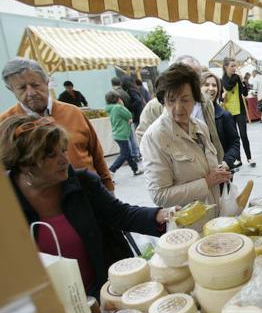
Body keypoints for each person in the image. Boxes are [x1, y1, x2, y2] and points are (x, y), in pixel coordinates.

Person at [0, 115, 172, 296]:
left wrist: (163, 215)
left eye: (64, 150)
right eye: (51, 155)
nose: (65, 160)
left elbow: (120, 214)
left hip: (101, 295)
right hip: (49, 308)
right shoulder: (6, 201)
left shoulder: (83, 183)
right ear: (25, 163)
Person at [0, 57, 114, 191]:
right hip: (43, 205)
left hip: (91, 193)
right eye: (22, 88)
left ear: (46, 82)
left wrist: (108, 187)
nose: (31, 93)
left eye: (35, 85)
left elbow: (96, 154)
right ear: (10, 89)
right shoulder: (5, 125)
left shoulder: (73, 112)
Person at [140, 63, 232, 208]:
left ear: (195, 99)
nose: (178, 108)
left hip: (213, 214)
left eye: (185, 99)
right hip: (186, 224)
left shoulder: (200, 127)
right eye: (171, 100)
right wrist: (207, 182)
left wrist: (217, 172)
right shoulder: (155, 137)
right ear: (163, 100)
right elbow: (159, 195)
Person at [134, 55, 223, 166]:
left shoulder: (205, 101)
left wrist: (218, 161)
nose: (191, 81)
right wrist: (161, 158)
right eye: (185, 75)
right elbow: (143, 136)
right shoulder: (155, 105)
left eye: (196, 77)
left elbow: (212, 133)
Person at [201, 72, 241, 170]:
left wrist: (226, 162)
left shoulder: (224, 116)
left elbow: (234, 143)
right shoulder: (192, 115)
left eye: (214, 85)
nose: (211, 88)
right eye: (206, 85)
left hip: (220, 170)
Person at [222, 57, 255, 167]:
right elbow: (224, 92)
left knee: (244, 135)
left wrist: (243, 82)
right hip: (228, 112)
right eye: (232, 66)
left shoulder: (237, 78)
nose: (234, 68)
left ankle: (249, 158)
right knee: (233, 137)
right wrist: (222, 97)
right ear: (226, 67)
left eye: (235, 66)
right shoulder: (222, 80)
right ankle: (238, 159)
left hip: (240, 110)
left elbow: (245, 94)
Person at [104, 91, 143, 176]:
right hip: (122, 133)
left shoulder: (110, 108)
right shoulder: (118, 107)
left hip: (117, 133)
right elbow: (129, 115)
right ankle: (111, 170)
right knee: (125, 153)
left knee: (127, 153)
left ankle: (135, 169)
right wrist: (122, 105)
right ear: (117, 99)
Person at [120, 76, 144, 161]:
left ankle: (141, 153)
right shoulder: (134, 89)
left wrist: (130, 107)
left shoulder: (131, 90)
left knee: (139, 133)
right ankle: (141, 152)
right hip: (140, 113)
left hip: (138, 114)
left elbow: (138, 101)